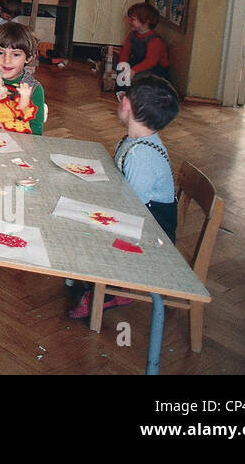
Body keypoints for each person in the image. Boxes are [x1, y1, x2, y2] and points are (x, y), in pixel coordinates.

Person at [69, 74, 180, 320]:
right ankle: (93, 278)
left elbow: (130, 211)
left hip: (150, 236)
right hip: (143, 222)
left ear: (126, 104)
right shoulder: (138, 140)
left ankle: (104, 289)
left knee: (80, 221)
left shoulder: (142, 155)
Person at [0, 22, 46, 135]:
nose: (7, 61)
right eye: (1, 53)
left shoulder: (34, 89)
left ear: (28, 58)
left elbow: (36, 131)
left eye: (16, 54)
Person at [117, 2, 170, 84]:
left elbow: (151, 62)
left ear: (146, 21)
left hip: (154, 70)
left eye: (133, 19)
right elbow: (125, 52)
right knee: (114, 64)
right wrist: (123, 65)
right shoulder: (132, 35)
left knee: (140, 78)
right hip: (138, 63)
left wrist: (134, 70)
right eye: (129, 19)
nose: (129, 21)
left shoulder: (155, 40)